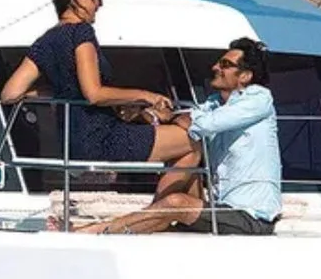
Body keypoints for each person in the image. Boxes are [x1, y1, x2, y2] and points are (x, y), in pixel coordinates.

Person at [0, 0, 200, 204]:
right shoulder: (81, 33)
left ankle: (185, 211)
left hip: (72, 144)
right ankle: (163, 212)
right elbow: (94, 94)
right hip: (101, 139)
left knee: (178, 144)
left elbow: (10, 94)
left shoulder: (46, 41)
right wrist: (147, 95)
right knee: (193, 142)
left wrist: (60, 91)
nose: (99, 4)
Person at [105, 38, 285, 235]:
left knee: (176, 202)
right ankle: (147, 218)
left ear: (245, 76)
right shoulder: (214, 103)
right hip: (220, 207)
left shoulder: (259, 99)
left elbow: (200, 124)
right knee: (188, 146)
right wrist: (146, 114)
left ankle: (100, 230)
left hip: (251, 216)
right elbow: (186, 120)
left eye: (225, 65)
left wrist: (173, 118)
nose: (215, 67)